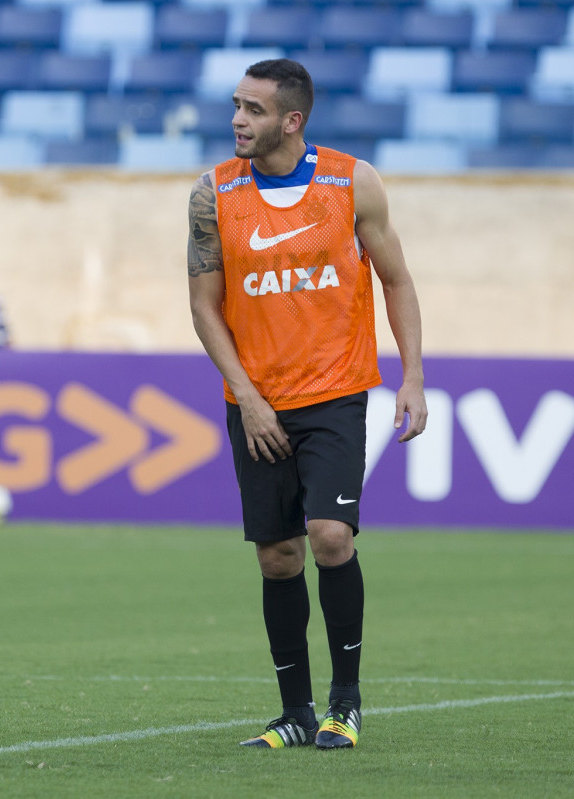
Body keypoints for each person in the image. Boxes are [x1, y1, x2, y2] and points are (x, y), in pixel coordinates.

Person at [186, 59, 427, 750]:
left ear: (292, 120)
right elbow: (204, 308)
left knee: (329, 536)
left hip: (335, 392)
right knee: (277, 558)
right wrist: (250, 398)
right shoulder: (212, 193)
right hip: (254, 399)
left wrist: (412, 376)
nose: (237, 118)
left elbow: (397, 279)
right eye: (236, 105)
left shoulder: (353, 181)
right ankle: (294, 710)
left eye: (253, 109)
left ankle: (345, 701)